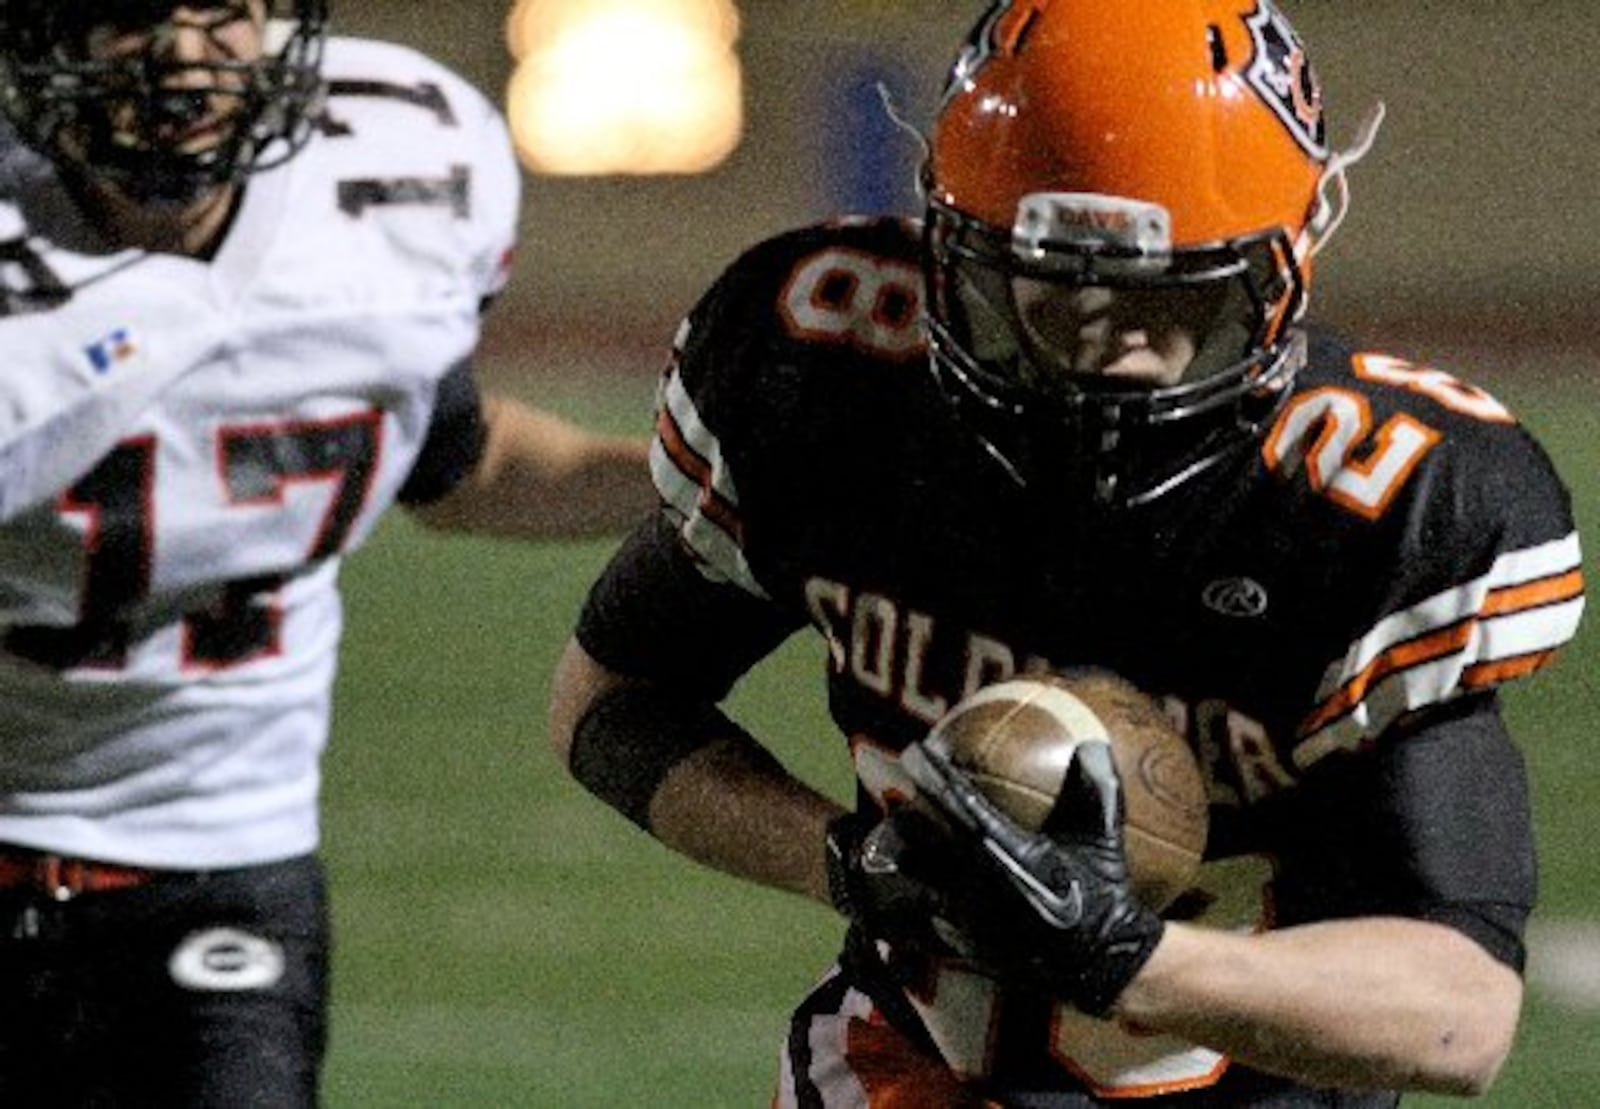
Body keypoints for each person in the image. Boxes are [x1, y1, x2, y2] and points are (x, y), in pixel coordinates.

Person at [548, 1, 1587, 1106]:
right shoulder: (833, 382)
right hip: (900, 1074)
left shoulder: (1367, 505)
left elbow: (1459, 1014)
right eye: (1050, 292)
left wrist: (1131, 957)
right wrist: (849, 863)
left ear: (1283, 274)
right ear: (948, 252)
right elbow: (608, 704)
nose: (1111, 354)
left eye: (1171, 299)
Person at [0, 1, 652, 1105]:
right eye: (133, 17)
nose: (184, 60)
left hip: (221, 856)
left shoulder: (396, 171)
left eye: (225, 14)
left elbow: (453, 459)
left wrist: (694, 478)